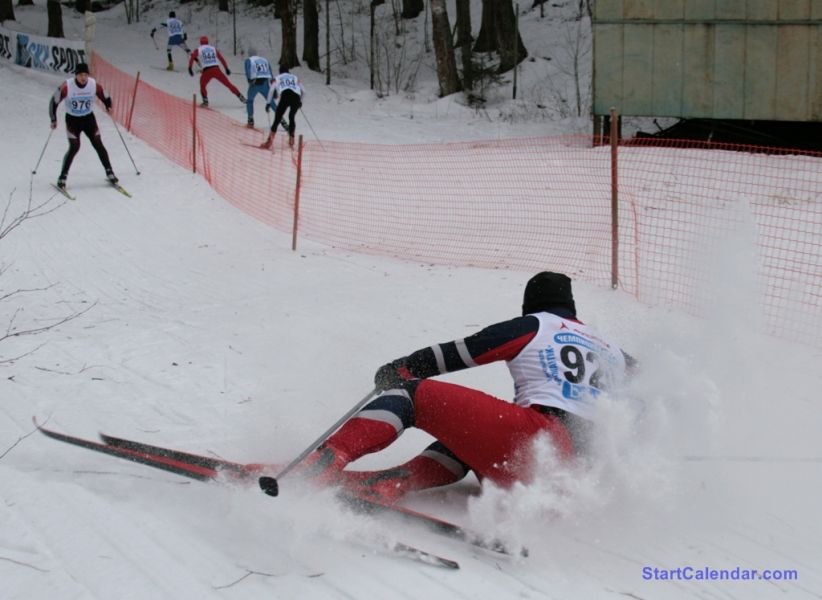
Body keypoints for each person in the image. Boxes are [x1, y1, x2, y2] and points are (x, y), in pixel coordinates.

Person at [295, 272, 635, 504]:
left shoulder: (537, 324)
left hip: (537, 443)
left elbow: (466, 351)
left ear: (530, 304)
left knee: (411, 395)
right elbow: (652, 396)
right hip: (573, 476)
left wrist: (403, 367)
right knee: (467, 436)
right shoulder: (612, 350)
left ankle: (319, 466)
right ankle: (393, 481)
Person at [49, 62, 118, 190]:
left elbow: (105, 94)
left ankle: (109, 172)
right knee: (74, 147)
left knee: (98, 143)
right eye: (81, 75)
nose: (83, 78)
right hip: (72, 121)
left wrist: (108, 105)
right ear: (76, 75)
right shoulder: (67, 86)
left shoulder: (93, 84)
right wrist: (53, 118)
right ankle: (63, 176)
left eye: (85, 75)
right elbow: (54, 101)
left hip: (88, 119)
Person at [188, 36, 245, 107]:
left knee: (202, 85)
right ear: (207, 42)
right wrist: (226, 68)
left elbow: (192, 57)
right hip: (216, 69)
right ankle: (240, 96)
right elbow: (221, 58)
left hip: (207, 71)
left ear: (200, 42)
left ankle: (205, 101)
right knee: (228, 84)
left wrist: (190, 67)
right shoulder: (213, 48)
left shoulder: (198, 49)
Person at [260, 65, 304, 149]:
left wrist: (268, 103)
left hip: (285, 96)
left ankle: (269, 142)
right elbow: (304, 91)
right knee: (292, 117)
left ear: (280, 72)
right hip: (296, 97)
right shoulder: (295, 77)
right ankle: (291, 139)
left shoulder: (278, 77)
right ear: (288, 71)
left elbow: (271, 90)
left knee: (277, 118)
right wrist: (300, 101)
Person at [243, 48, 273, 128]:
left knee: (249, 100)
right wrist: (272, 82)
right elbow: (270, 71)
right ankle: (282, 120)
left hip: (255, 83)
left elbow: (248, 71)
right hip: (265, 83)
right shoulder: (264, 60)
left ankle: (250, 119)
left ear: (249, 54)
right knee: (270, 101)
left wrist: (249, 80)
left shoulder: (249, 60)